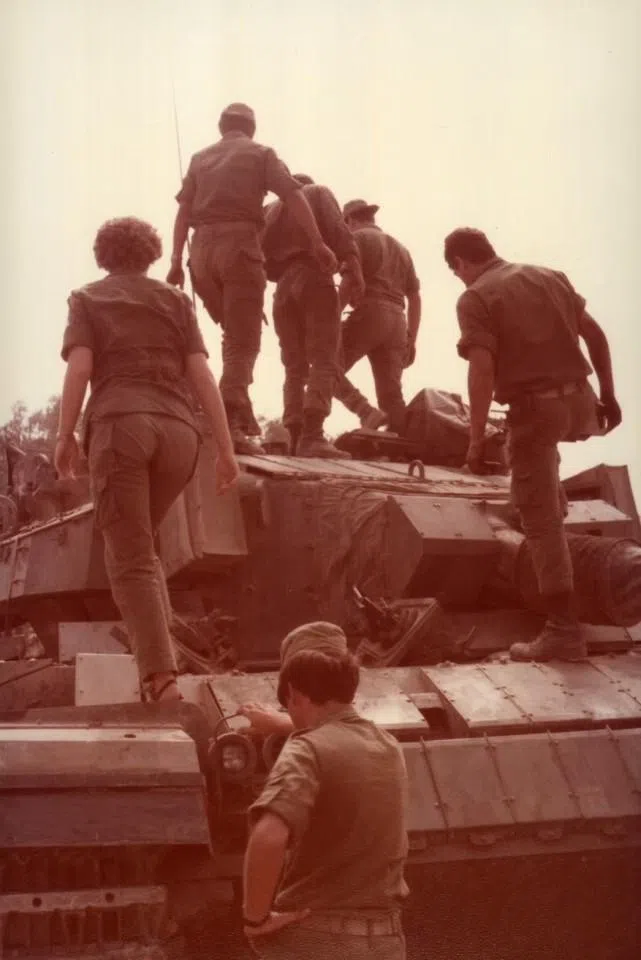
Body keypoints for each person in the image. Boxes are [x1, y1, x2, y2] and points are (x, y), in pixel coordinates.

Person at [55, 216, 239, 703]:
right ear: (150, 253)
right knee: (144, 548)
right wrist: (225, 450)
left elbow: (80, 368)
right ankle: (167, 657)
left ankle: (160, 681)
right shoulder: (175, 300)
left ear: (103, 255)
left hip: (121, 426)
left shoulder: (87, 298)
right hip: (180, 434)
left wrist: (65, 435)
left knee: (129, 556)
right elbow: (202, 376)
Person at [444, 227, 622, 662]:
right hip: (579, 403)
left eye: (456, 271)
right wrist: (609, 394)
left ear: (461, 263)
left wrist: (474, 441)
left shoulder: (475, 297)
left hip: (537, 409)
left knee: (538, 518)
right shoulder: (548, 276)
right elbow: (595, 335)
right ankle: (552, 498)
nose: (460, 278)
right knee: (541, 470)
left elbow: (481, 370)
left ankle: (563, 630)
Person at [167, 103, 338, 455]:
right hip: (239, 247)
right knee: (243, 342)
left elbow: (183, 211)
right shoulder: (261, 153)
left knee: (233, 337)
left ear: (221, 126)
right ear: (252, 128)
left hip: (201, 255)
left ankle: (233, 413)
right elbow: (293, 195)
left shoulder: (199, 159)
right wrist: (317, 242)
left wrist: (175, 261)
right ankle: (230, 424)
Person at [239, 621, 408, 960]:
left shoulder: (306, 749)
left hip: (316, 940)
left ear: (293, 694)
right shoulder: (388, 745)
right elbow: (336, 728)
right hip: (385, 940)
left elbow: (269, 837)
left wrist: (255, 919)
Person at [263, 175, 365, 457]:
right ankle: (313, 435)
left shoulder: (270, 210)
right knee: (323, 357)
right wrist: (355, 269)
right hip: (314, 277)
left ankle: (295, 436)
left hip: (282, 288)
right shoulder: (318, 192)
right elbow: (340, 232)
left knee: (293, 365)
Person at [334, 200, 422, 435]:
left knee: (325, 367)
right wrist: (412, 338)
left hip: (370, 312)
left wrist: (332, 317)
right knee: (392, 395)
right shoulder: (401, 249)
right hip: (398, 322)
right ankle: (403, 446)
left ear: (349, 220)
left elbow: (349, 281)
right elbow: (415, 297)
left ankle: (363, 409)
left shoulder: (357, 238)